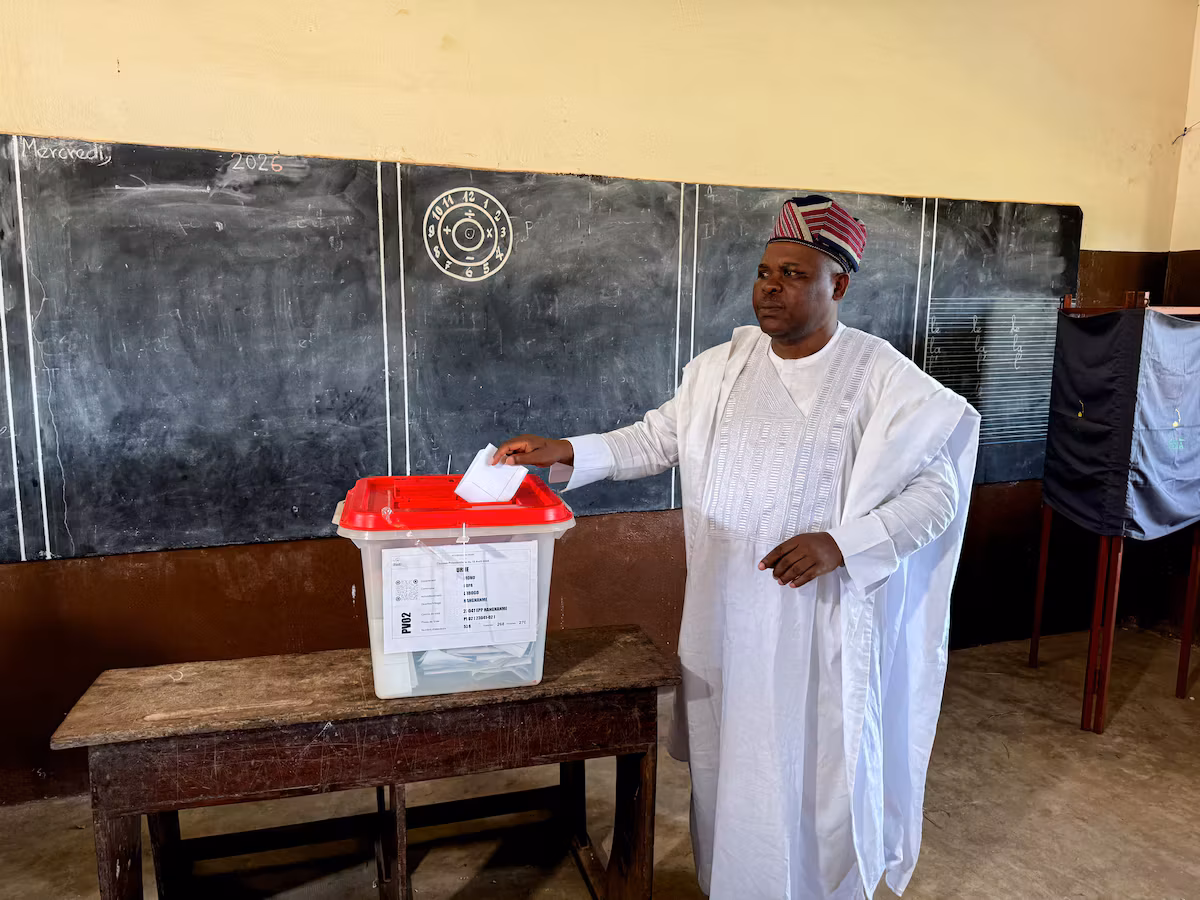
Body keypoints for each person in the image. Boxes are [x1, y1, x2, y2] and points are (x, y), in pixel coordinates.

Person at [494, 195, 980, 899]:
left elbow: (937, 496)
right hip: (728, 615)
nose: (770, 289)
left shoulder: (882, 377)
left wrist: (842, 544)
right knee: (732, 774)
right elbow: (658, 437)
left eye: (791, 273)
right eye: (763, 272)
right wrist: (568, 450)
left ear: (836, 285)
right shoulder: (722, 367)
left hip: (817, 624)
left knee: (811, 770)